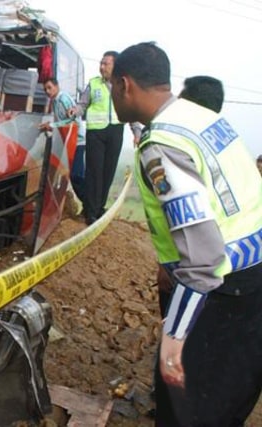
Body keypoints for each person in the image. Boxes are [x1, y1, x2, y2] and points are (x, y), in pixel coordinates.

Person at [111, 41, 262, 426]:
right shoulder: (198, 116)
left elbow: (204, 259)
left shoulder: (161, 145)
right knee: (231, 391)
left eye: (112, 86)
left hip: (222, 287)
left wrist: (173, 341)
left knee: (187, 400)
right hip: (254, 273)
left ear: (124, 85)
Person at [156, 74, 225, 316]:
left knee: (179, 338)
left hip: (191, 272)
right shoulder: (222, 143)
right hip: (233, 269)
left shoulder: (176, 148)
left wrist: (166, 267)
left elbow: (180, 219)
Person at [69, 51, 141, 225]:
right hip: (96, 133)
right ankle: (90, 212)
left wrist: (136, 132)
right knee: (94, 172)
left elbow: (130, 110)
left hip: (116, 131)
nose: (102, 67)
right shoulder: (93, 84)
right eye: (101, 63)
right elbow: (82, 104)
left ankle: (99, 207)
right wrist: (75, 111)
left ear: (115, 66)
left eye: (105, 64)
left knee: (108, 172)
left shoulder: (123, 85)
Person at [39, 78, 85, 203]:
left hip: (77, 141)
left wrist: (52, 126)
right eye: (45, 90)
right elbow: (61, 121)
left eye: (50, 87)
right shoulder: (54, 101)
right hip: (67, 141)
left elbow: (73, 121)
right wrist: (51, 124)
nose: (48, 91)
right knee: (66, 173)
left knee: (76, 175)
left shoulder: (64, 99)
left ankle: (90, 203)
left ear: (57, 86)